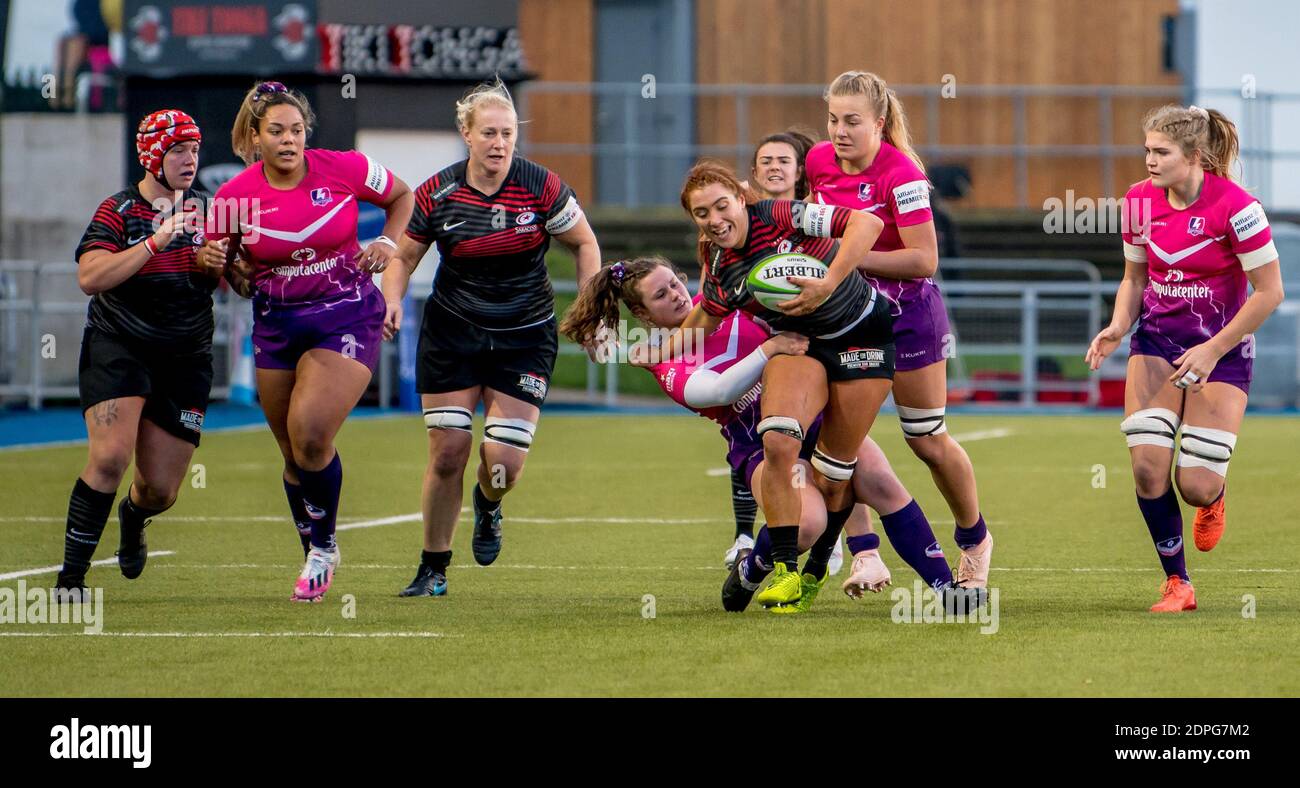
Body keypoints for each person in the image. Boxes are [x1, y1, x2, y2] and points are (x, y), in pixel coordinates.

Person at [561, 257, 959, 613]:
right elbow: (717, 392)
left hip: (815, 420)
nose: (676, 296)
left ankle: (948, 591)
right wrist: (768, 351)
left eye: (675, 284)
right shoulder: (659, 355)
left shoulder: (723, 305)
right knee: (807, 525)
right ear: (642, 313)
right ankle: (753, 566)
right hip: (757, 444)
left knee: (881, 482)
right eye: (660, 296)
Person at [383, 78, 601, 597]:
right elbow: (404, 258)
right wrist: (391, 297)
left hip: (524, 336)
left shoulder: (542, 187)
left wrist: (590, 307)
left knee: (502, 464)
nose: (500, 143)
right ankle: (433, 568)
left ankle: (489, 505)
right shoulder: (438, 191)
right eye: (489, 133)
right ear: (467, 134)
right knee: (449, 450)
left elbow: (585, 242)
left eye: (507, 134)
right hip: (453, 334)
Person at [205, 81, 413, 602]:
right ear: (255, 137)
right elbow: (226, 269)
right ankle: (314, 551)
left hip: (346, 313)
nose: (289, 140)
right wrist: (222, 267)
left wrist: (388, 241)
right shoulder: (234, 197)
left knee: (312, 432)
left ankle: (324, 549)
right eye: (276, 131)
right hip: (276, 323)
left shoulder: (343, 167)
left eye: (296, 130)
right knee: (293, 453)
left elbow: (403, 196)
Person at [659, 158, 897, 613]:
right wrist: (654, 351)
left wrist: (827, 283)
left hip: (848, 349)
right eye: (701, 214)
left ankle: (937, 578)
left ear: (741, 197)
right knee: (808, 491)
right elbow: (705, 320)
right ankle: (779, 569)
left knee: (881, 474)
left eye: (721, 205)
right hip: (778, 403)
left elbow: (865, 222)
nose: (714, 220)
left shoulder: (785, 214)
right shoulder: (718, 262)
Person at [1086, 105, 1283, 612]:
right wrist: (1117, 325)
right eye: (1146, 150)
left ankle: (1213, 497)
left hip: (1221, 349)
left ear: (1194, 156)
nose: (1148, 161)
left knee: (1194, 485)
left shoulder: (1238, 208)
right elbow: (1134, 278)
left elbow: (1270, 292)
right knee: (1149, 470)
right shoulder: (1136, 201)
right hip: (1155, 343)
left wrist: (1214, 349)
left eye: (1160, 152)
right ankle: (1178, 583)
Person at [805, 70, 994, 590]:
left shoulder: (903, 175)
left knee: (927, 439)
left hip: (907, 320)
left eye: (852, 121)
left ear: (880, 122)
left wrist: (848, 259)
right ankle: (865, 553)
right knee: (840, 443)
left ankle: (974, 539)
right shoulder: (818, 161)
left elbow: (924, 260)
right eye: (832, 119)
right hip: (846, 322)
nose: (839, 131)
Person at [56, 109, 222, 595]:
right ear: (152, 155)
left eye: (194, 149)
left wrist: (223, 265)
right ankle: (71, 579)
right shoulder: (118, 210)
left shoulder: (213, 211)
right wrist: (155, 241)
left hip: (186, 355)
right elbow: (90, 278)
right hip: (119, 345)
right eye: (177, 151)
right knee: (109, 458)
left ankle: (133, 516)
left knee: (161, 491)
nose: (189, 160)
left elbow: (240, 281)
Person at [750, 130, 816, 201]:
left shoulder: (814, 210)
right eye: (766, 162)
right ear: (755, 173)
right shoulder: (742, 210)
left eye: (784, 162)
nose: (774, 167)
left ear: (798, 172)